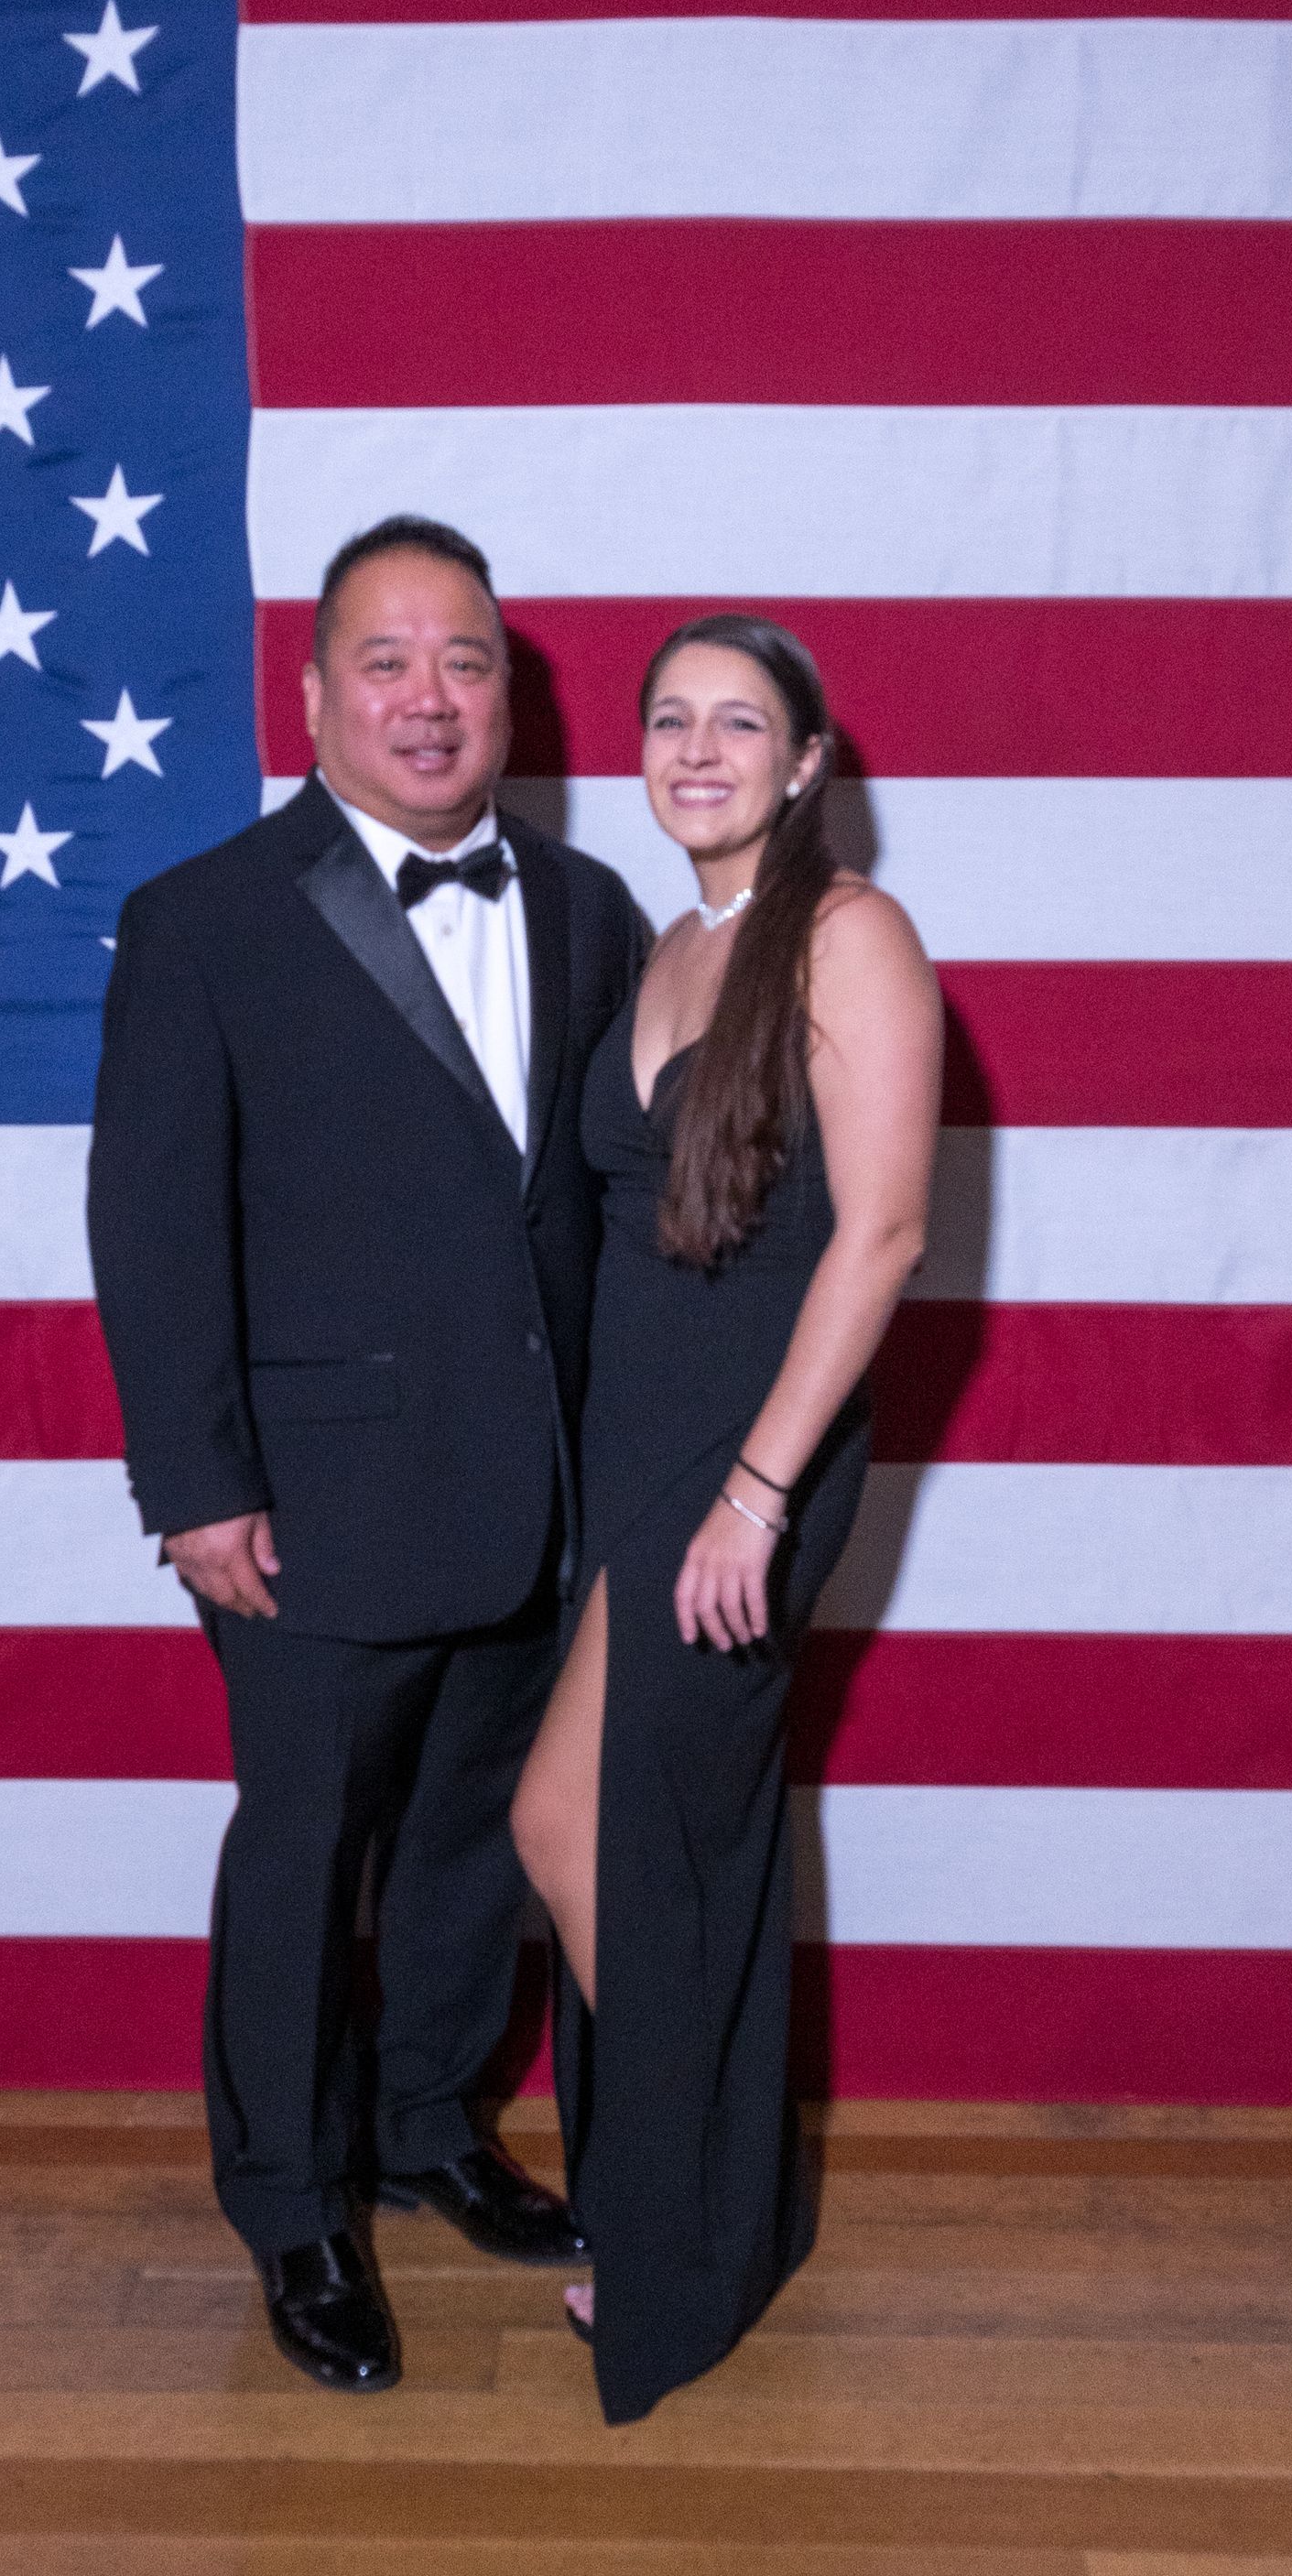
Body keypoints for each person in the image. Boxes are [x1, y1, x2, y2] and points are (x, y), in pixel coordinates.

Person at [87, 516, 646, 2392]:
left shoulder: (586, 909)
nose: (429, 697)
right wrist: (196, 1485)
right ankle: (294, 2203)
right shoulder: (204, 918)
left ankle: (423, 2126)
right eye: (388, 661)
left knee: (478, 1840)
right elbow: (152, 1225)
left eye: (465, 661)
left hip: (538, 1485)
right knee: (309, 1851)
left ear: (509, 697)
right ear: (315, 692)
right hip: (308, 1508)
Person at [510, 614, 943, 2424]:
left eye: (741, 722)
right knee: (628, 1836)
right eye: (671, 719)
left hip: (749, 1458)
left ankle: (689, 2213)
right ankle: (707, 2201)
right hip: (637, 1447)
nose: (699, 749)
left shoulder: (850, 934)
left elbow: (884, 1233)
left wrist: (758, 1496)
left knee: (587, 1829)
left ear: (808, 760)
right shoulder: (670, 943)